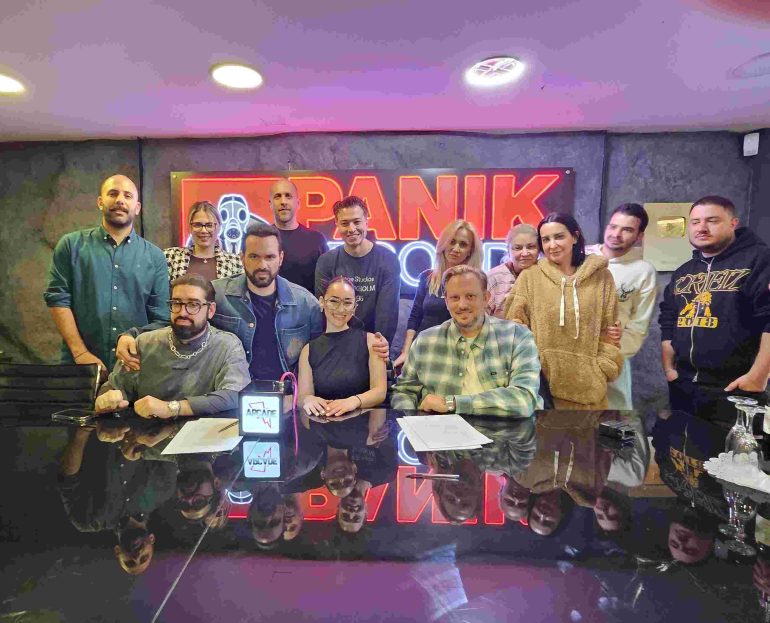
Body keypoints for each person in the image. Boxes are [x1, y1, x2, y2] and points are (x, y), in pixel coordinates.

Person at [659, 195, 770, 423]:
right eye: (695, 222)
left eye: (712, 220)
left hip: (737, 388)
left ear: (733, 223)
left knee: (734, 447)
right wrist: (670, 369)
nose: (702, 228)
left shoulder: (759, 260)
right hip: (684, 387)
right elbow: (668, 320)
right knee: (685, 443)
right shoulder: (684, 272)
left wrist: (759, 376)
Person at [44, 174, 169, 374]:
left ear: (137, 207)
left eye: (127, 195)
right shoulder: (71, 245)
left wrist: (134, 342)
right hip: (79, 366)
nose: (120, 200)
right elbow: (57, 299)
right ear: (100, 202)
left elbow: (162, 318)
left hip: (134, 368)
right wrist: (80, 353)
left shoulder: (155, 256)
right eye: (113, 193)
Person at [504, 213, 623, 410]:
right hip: (541, 392)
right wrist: (530, 373)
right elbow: (514, 329)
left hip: (590, 394)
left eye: (559, 237)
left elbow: (609, 332)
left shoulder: (602, 277)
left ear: (574, 237)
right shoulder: (530, 277)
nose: (552, 245)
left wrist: (602, 369)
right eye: (546, 240)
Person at [392, 265, 542, 416]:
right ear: (446, 302)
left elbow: (524, 399)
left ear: (486, 298)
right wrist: (412, 420)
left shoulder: (517, 337)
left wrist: (452, 403)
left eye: (470, 296)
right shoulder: (425, 341)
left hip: (504, 429)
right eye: (454, 298)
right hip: (440, 428)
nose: (462, 305)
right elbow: (404, 392)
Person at [95, 274, 251, 417]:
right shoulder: (144, 343)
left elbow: (235, 395)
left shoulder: (227, 346)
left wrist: (171, 408)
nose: (183, 312)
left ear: (210, 310)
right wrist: (106, 398)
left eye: (193, 304)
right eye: (176, 303)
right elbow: (114, 387)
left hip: (203, 435)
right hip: (146, 435)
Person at [586, 203, 657, 409]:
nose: (616, 234)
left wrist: (611, 354)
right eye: (613, 226)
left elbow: (638, 325)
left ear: (639, 236)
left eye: (627, 230)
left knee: (614, 417)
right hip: (571, 355)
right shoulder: (579, 257)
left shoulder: (643, 271)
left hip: (613, 357)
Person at [394, 220, 482, 369]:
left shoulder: (476, 282)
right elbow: (415, 317)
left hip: (456, 353)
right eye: (452, 242)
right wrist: (406, 352)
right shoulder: (427, 277)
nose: (456, 248)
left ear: (470, 251)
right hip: (422, 349)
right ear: (443, 244)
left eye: (463, 244)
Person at [315, 196, 401, 346]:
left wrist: (377, 347)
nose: (351, 229)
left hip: (375, 345)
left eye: (356, 222)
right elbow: (326, 312)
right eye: (345, 223)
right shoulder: (326, 261)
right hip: (336, 343)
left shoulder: (388, 260)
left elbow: (387, 315)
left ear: (366, 221)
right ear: (337, 225)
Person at [298, 276, 387, 417]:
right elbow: (302, 397)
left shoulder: (372, 342)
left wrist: (354, 401)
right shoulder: (308, 350)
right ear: (322, 302)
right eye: (334, 301)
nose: (340, 309)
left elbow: (380, 391)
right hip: (323, 424)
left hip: (362, 424)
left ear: (355, 307)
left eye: (347, 303)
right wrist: (308, 399)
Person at [270, 178, 328, 293]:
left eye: (288, 196)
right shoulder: (260, 240)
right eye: (277, 196)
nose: (283, 201)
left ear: (298, 203)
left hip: (308, 305)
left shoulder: (316, 240)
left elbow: (326, 285)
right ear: (270, 204)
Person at [164, 200, 242, 281]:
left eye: (209, 225)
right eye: (197, 225)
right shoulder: (170, 257)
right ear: (190, 227)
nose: (204, 230)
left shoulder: (235, 262)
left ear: (219, 227)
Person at [486, 223, 539, 318]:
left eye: (530, 247)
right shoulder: (493, 277)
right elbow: (480, 318)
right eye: (518, 248)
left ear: (539, 249)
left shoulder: (545, 275)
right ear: (508, 250)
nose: (525, 253)